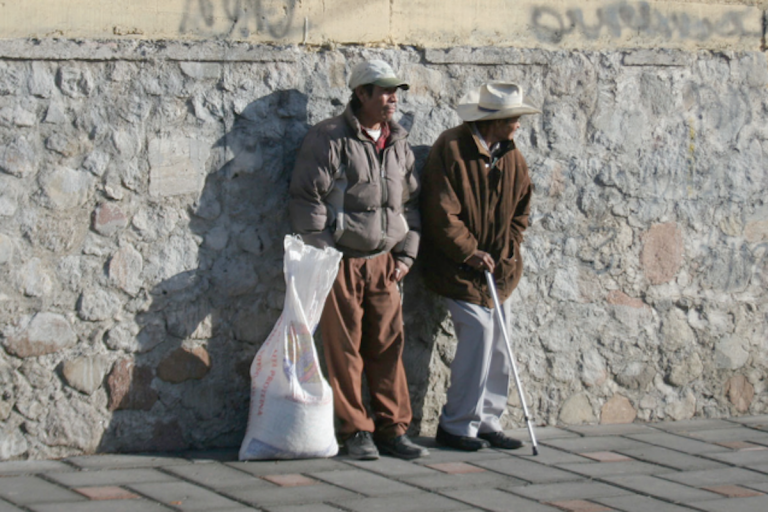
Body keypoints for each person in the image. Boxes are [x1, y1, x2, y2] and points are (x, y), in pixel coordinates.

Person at [289, 60, 428, 460]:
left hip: (385, 262)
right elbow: (306, 199)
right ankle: (354, 431)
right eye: (383, 91)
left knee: (388, 345)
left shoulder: (398, 142)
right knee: (343, 348)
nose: (392, 98)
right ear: (361, 94)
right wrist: (324, 254)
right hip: (341, 261)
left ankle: (392, 428)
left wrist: (406, 254)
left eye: (395, 91)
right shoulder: (329, 137)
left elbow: (411, 203)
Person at [420, 82, 540, 451]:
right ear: (496, 119)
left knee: (501, 344)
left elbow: (522, 208)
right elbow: (441, 211)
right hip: (457, 267)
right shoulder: (452, 148)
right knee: (479, 335)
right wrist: (469, 251)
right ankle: (456, 425)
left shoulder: (511, 156)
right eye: (514, 117)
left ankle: (488, 420)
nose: (519, 123)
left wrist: (510, 246)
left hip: (499, 271)